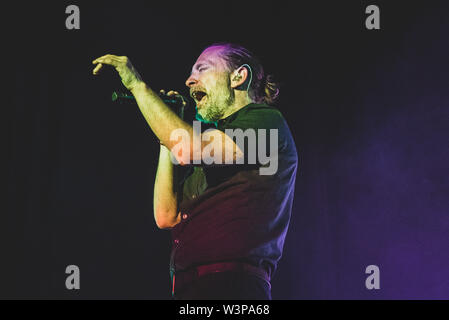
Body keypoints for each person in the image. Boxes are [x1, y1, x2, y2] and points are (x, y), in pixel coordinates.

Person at [92, 43, 298, 300]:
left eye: (202, 69)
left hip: (233, 287)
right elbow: (166, 215)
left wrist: (137, 85)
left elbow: (188, 148)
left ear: (238, 77)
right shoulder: (213, 145)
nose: (189, 80)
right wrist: (166, 139)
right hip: (192, 289)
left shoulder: (267, 122)